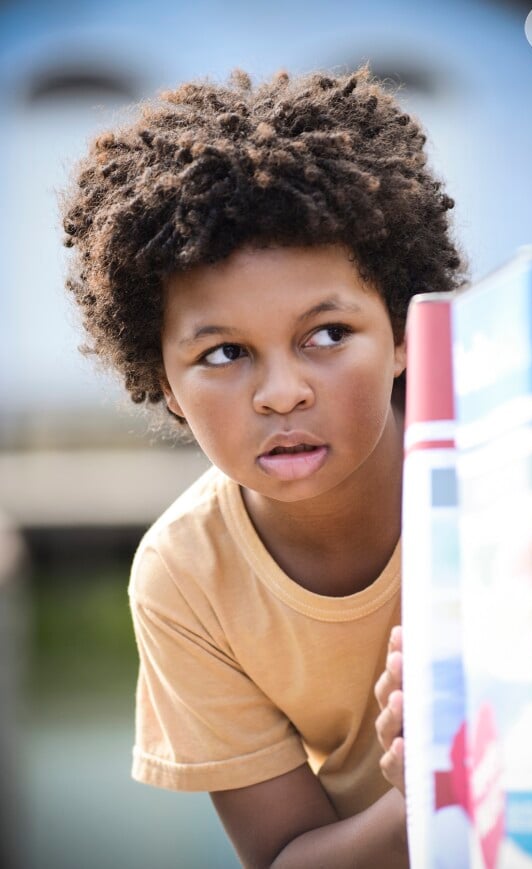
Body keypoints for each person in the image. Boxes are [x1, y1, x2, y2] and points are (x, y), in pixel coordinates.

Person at [61, 63, 468, 867]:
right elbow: (285, 855)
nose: (282, 394)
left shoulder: (497, 458)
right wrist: (424, 797)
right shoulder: (185, 576)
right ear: (164, 383)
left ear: (398, 333)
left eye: (326, 335)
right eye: (224, 352)